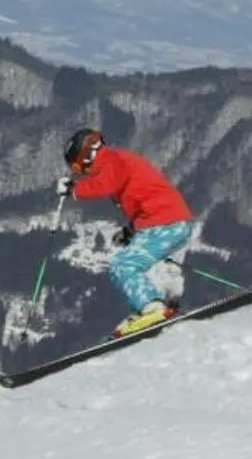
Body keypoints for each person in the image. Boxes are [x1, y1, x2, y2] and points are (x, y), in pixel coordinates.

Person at [58, 128, 194, 336]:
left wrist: (74, 190)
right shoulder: (119, 161)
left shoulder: (112, 160)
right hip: (169, 221)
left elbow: (105, 185)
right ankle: (158, 304)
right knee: (141, 265)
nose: (81, 172)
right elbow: (144, 197)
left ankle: (152, 308)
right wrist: (131, 230)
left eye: (78, 166)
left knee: (123, 266)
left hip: (165, 223)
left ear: (87, 156)